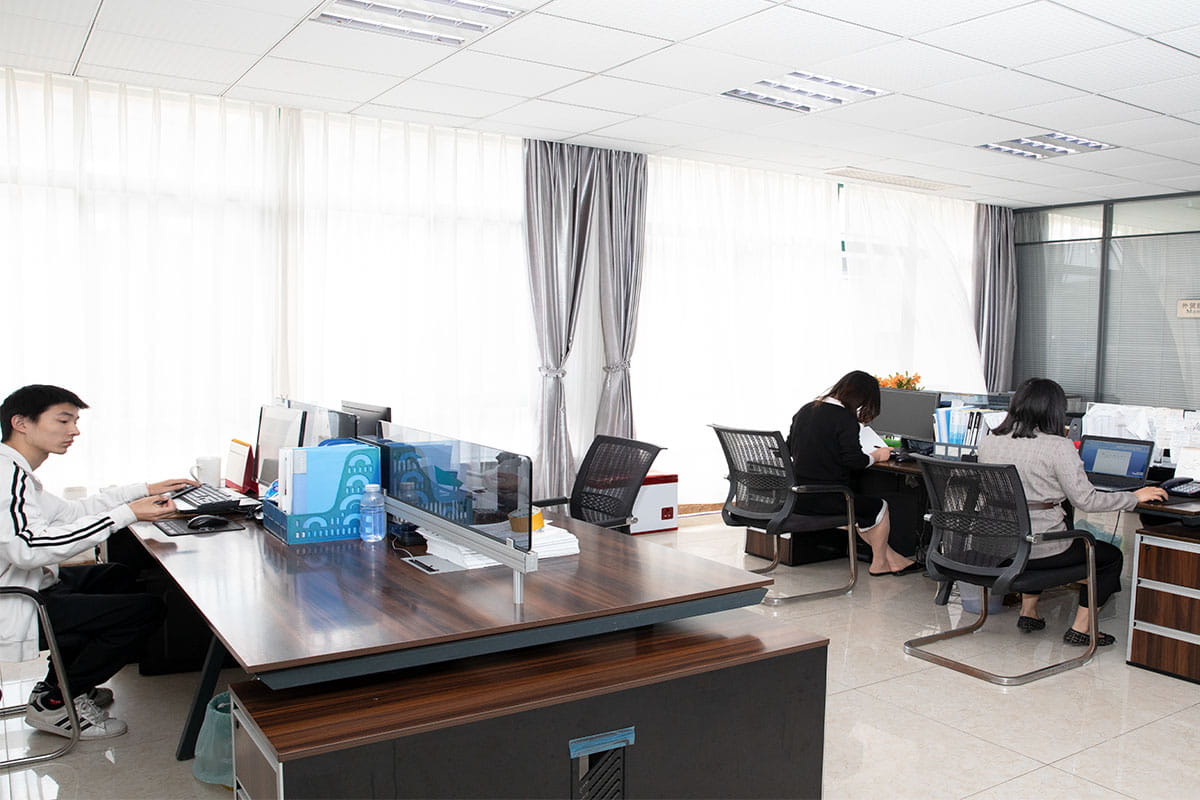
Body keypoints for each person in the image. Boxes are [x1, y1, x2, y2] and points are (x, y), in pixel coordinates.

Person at [0, 384, 196, 739]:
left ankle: (58, 686)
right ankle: (57, 703)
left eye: (75, 421)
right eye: (64, 420)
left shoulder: (16, 471)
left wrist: (143, 491)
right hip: (14, 600)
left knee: (116, 576)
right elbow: (27, 548)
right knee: (146, 610)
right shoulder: (6, 475)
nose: (74, 431)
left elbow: (71, 513)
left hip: (29, 583)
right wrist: (127, 514)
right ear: (21, 423)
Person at [977, 378, 1166, 646]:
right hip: (1038, 549)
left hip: (998, 544)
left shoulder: (989, 441)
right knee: (1109, 557)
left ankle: (1029, 612)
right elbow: (1087, 501)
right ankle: (1081, 629)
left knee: (1046, 521)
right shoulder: (1058, 446)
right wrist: (1133, 497)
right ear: (1055, 410)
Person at [787, 371, 919, 577]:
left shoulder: (806, 410)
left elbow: (789, 448)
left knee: (864, 510)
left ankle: (893, 560)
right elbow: (854, 461)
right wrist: (877, 455)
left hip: (798, 498)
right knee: (878, 507)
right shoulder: (844, 418)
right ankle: (879, 564)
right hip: (830, 498)